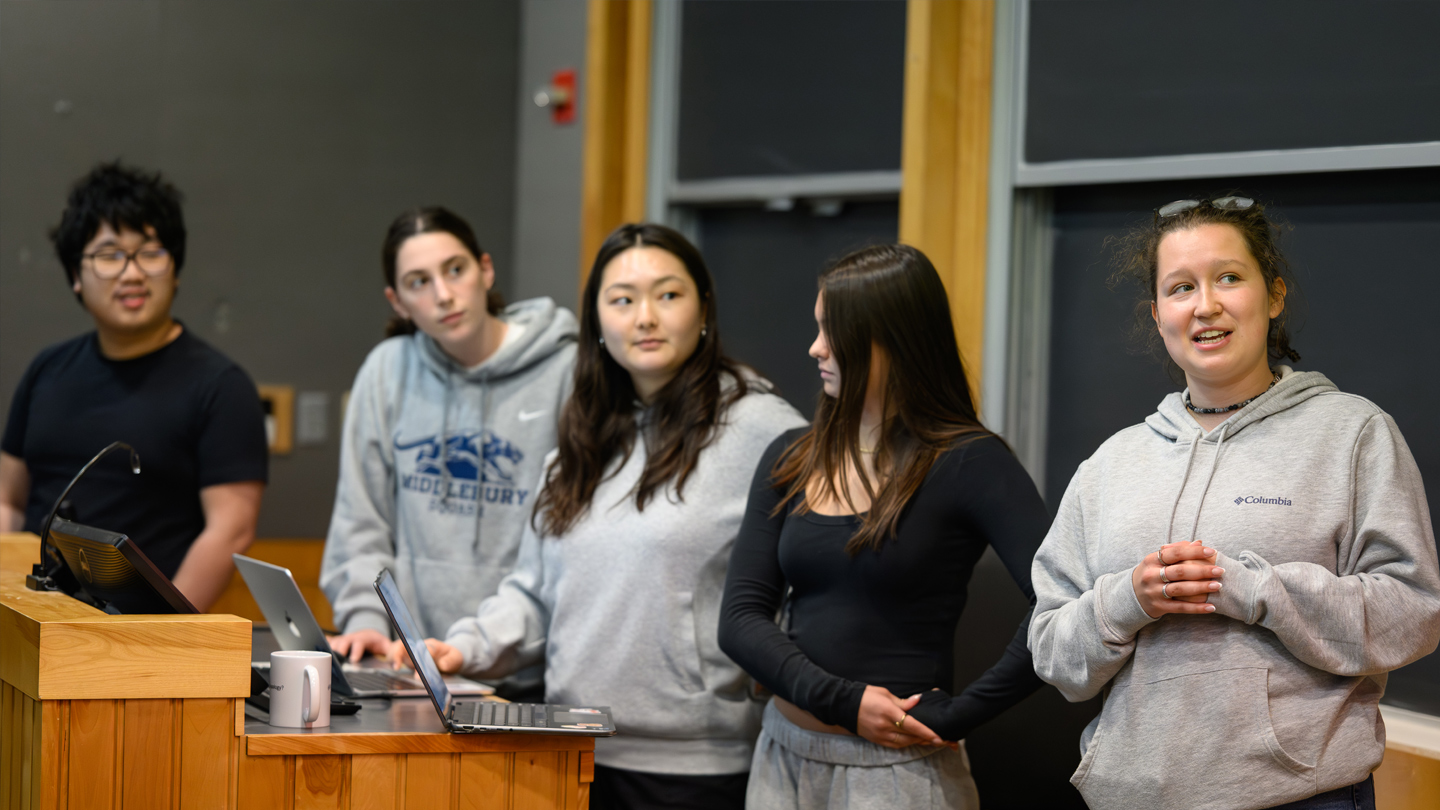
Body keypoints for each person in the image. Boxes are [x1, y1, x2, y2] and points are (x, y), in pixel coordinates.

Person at [1027, 197, 1440, 810]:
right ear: (1159, 314)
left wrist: (1251, 589)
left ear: (1273, 296)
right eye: (1181, 288)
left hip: (1302, 796)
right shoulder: (1109, 466)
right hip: (1132, 796)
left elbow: (1414, 612)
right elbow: (1051, 650)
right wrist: (1127, 601)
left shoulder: (1352, 434)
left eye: (1228, 277)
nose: (1206, 305)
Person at [406, 223, 806, 810]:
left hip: (699, 770)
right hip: (569, 752)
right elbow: (537, 595)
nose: (645, 317)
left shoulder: (763, 427)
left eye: (668, 295)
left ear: (703, 309)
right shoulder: (584, 437)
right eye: (621, 300)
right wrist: (462, 650)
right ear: (597, 322)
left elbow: (818, 574)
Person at [717, 244, 1051, 810]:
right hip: (782, 756)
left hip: (897, 773)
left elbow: (1062, 606)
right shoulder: (791, 455)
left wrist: (960, 714)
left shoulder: (971, 461)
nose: (814, 348)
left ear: (891, 341)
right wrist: (842, 701)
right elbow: (739, 618)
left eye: (832, 331)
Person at [320, 207, 578, 687]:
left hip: (527, 672)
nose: (443, 294)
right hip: (409, 666)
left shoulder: (567, 369)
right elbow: (361, 520)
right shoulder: (386, 370)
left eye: (455, 270)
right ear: (398, 302)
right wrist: (364, 620)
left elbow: (567, 540)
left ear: (485, 270)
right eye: (418, 282)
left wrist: (487, 643)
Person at [0, 161, 268, 611]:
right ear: (75, 277)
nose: (131, 273)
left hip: (144, 640)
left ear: (175, 269)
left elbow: (230, 531)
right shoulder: (46, 370)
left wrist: (160, 634)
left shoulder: (221, 386)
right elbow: (8, 500)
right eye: (108, 255)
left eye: (150, 252)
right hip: (35, 624)